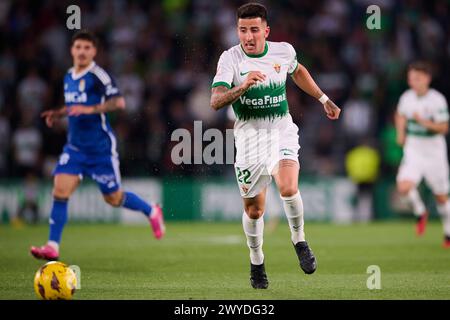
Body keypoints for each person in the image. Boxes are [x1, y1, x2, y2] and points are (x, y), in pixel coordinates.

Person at [210, 3, 341, 289]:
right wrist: (242, 86)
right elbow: (216, 100)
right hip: (248, 141)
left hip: (280, 130)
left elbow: (298, 72)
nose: (248, 36)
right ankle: (256, 261)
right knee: (255, 211)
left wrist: (323, 99)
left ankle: (300, 240)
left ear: (266, 31)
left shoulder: (284, 51)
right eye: (243, 30)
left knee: (288, 187)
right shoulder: (230, 59)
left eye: (254, 30)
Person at [30, 30, 165, 261]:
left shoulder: (99, 75)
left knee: (113, 198)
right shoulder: (68, 77)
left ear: (94, 51)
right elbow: (73, 105)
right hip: (75, 148)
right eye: (78, 47)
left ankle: (151, 210)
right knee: (60, 190)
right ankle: (53, 246)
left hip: (100, 148)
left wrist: (90, 109)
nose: (82, 52)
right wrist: (59, 113)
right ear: (72, 50)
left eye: (87, 48)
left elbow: (119, 102)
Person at [395, 61, 450, 248]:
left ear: (427, 78)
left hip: (434, 152)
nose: (413, 83)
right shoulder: (407, 98)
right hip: (414, 149)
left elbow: (443, 127)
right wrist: (400, 132)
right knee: (403, 187)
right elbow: (400, 114)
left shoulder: (437, 100)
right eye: (411, 79)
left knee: (441, 196)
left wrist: (424, 122)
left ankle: (448, 234)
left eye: (417, 78)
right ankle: (420, 212)